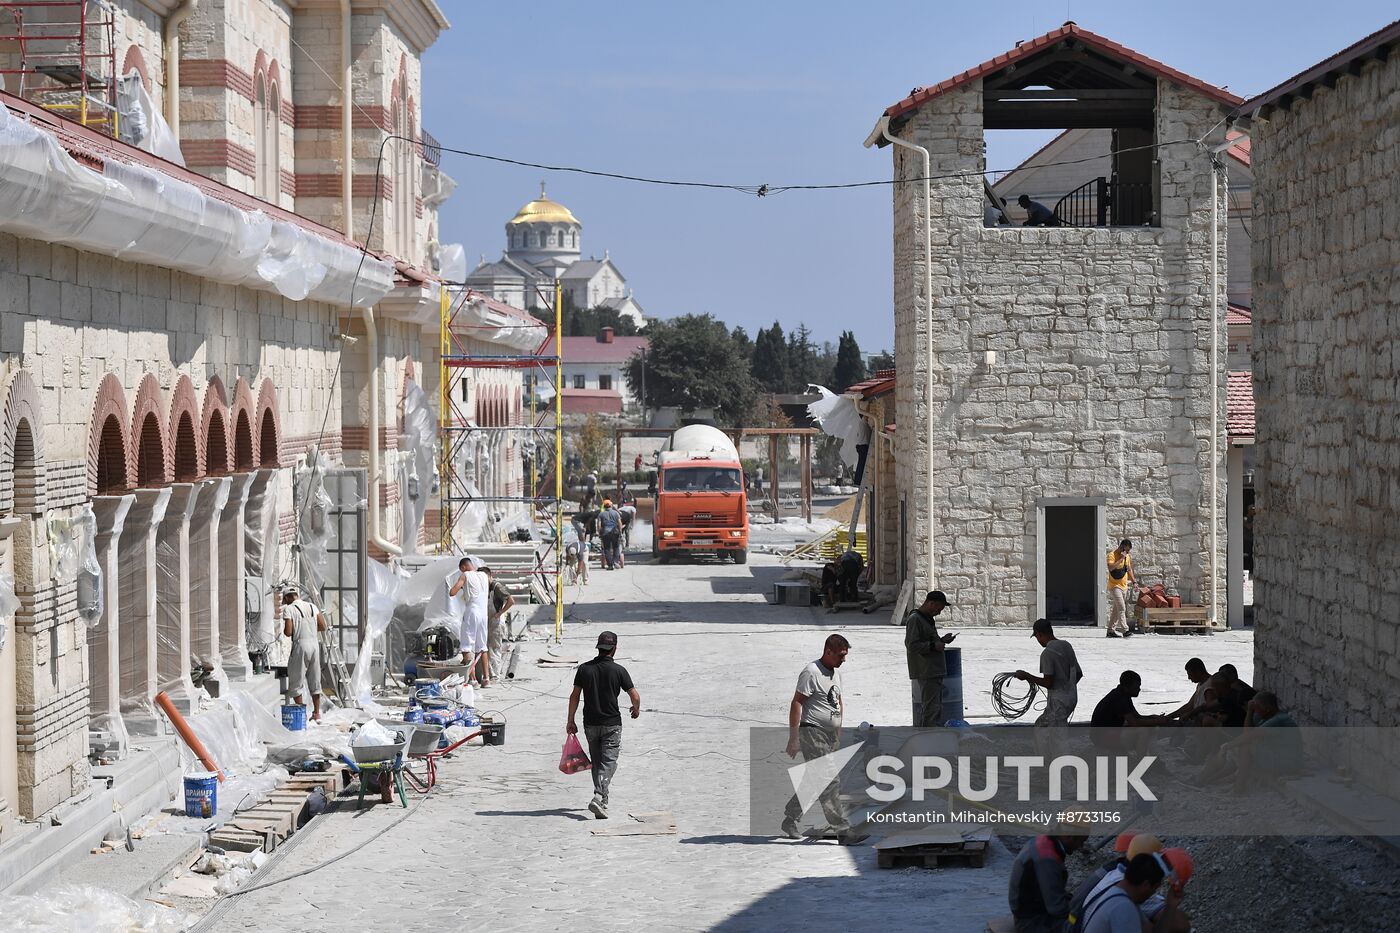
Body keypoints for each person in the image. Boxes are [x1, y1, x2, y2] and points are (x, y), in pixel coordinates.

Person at [781, 634, 867, 846]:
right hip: (812, 732)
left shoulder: (834, 673)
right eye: (840, 655)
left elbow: (838, 701)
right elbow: (796, 703)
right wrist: (793, 737)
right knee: (829, 780)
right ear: (828, 651)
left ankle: (790, 818)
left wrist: (839, 728)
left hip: (830, 735)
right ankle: (843, 831)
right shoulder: (811, 672)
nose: (843, 660)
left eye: (845, 655)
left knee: (814, 781)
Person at [566, 631, 640, 819]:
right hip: (612, 724)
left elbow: (574, 696)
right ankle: (598, 796)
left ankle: (602, 801)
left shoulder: (584, 669)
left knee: (598, 762)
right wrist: (635, 709)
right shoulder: (619, 671)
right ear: (614, 649)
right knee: (609, 762)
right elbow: (635, 696)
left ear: (598, 648)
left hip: (590, 723)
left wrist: (570, 720)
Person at [1195, 691, 1303, 790]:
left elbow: (1249, 736)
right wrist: (1249, 712)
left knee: (1244, 747)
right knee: (1234, 751)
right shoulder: (1267, 717)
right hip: (1276, 756)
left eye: (1257, 708)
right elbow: (1247, 732)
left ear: (1267, 708)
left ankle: (1239, 788)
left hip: (1288, 763)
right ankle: (1205, 779)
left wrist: (1227, 746)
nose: (1255, 711)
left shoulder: (1278, 720)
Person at [1007, 817, 1089, 932]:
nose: (1081, 846)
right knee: (1082, 925)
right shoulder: (1047, 859)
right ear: (1068, 836)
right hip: (1031, 922)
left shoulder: (1045, 841)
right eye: (1081, 841)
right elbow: (1057, 909)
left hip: (1032, 911)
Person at [1078, 853, 1168, 933]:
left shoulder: (1118, 893)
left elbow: (1149, 930)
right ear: (1146, 885)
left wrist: (1171, 904)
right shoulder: (1122, 906)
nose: (1152, 894)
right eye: (1154, 889)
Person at [1016, 619, 1083, 726]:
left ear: (1039, 634)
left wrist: (1026, 676)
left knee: (1053, 734)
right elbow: (1079, 674)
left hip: (1058, 702)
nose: (1037, 640)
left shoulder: (1047, 654)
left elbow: (1048, 683)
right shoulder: (1066, 645)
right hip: (1072, 698)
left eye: (1037, 637)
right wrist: (1068, 689)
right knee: (1042, 726)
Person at [904, 590, 956, 727]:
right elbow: (912, 645)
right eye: (938, 609)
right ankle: (927, 736)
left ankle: (931, 734)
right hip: (926, 670)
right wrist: (933, 646)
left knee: (935, 707)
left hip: (934, 670)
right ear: (930, 603)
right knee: (930, 709)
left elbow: (928, 639)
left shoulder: (926, 618)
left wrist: (942, 640)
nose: (938, 612)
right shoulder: (915, 619)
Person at [281, 588, 328, 722]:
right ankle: (317, 713)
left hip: (300, 645)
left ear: (289, 598)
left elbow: (288, 632)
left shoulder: (289, 609)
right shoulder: (312, 606)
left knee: (296, 680)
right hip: (314, 644)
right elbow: (322, 626)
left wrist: (293, 628)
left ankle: (301, 714)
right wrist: (310, 629)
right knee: (315, 679)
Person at [1090, 671, 1163, 752]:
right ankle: (1140, 760)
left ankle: (1146, 755)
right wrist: (1158, 721)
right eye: (1136, 687)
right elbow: (1134, 723)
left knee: (1151, 728)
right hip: (1101, 737)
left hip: (1108, 733)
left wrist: (1153, 717)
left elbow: (1137, 717)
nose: (1139, 689)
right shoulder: (1119, 698)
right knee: (1143, 731)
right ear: (1126, 687)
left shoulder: (1124, 694)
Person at [448, 557, 490, 681]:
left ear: (463, 567)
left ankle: (472, 679)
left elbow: (452, 592)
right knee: (482, 646)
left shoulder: (465, 575)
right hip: (483, 614)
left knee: (466, 646)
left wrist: (456, 585)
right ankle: (486, 679)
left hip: (472, 612)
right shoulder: (483, 575)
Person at [481, 567, 515, 683]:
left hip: (496, 621)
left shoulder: (497, 587)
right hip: (488, 621)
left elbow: (511, 600)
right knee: (488, 649)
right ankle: (491, 674)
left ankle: (495, 676)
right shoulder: (485, 587)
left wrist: (500, 612)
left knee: (494, 649)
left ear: (489, 576)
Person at [1164, 657, 1212, 723]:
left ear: (1197, 671)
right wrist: (1167, 717)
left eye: (1190, 674)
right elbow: (1189, 706)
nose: (1189, 678)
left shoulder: (1209, 685)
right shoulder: (1201, 685)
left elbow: (1208, 707)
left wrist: (1189, 714)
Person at [1105, 540, 1136, 638]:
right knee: (1122, 607)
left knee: (1116, 610)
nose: (1127, 553)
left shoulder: (1127, 557)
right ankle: (1125, 630)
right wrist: (1121, 559)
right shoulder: (1112, 555)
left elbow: (1129, 570)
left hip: (1124, 586)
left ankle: (1110, 631)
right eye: (1126, 550)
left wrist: (1134, 582)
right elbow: (1110, 568)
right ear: (1122, 547)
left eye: (1128, 551)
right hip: (1114, 586)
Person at [598, 499, 624, 570]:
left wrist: (599, 533)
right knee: (616, 547)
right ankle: (615, 561)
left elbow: (599, 525)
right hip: (615, 532)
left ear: (604, 506)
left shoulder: (601, 514)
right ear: (611, 506)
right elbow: (619, 523)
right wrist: (620, 532)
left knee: (606, 549)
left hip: (605, 533)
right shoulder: (616, 513)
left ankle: (610, 565)